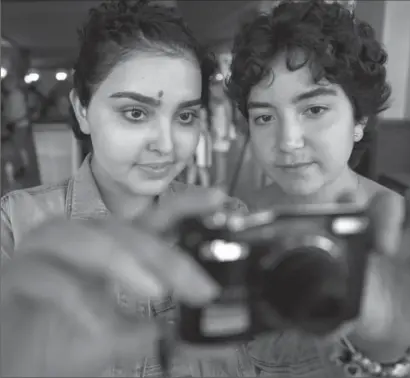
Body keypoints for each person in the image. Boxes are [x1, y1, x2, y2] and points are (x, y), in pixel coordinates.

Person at [0, 1, 245, 377]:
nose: (166, 144)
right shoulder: (15, 226)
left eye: (185, 116)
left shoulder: (227, 223)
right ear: (82, 109)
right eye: (135, 113)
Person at [227, 0, 410, 376]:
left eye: (314, 110)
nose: (288, 141)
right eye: (264, 117)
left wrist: (387, 350)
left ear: (359, 118)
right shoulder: (245, 223)